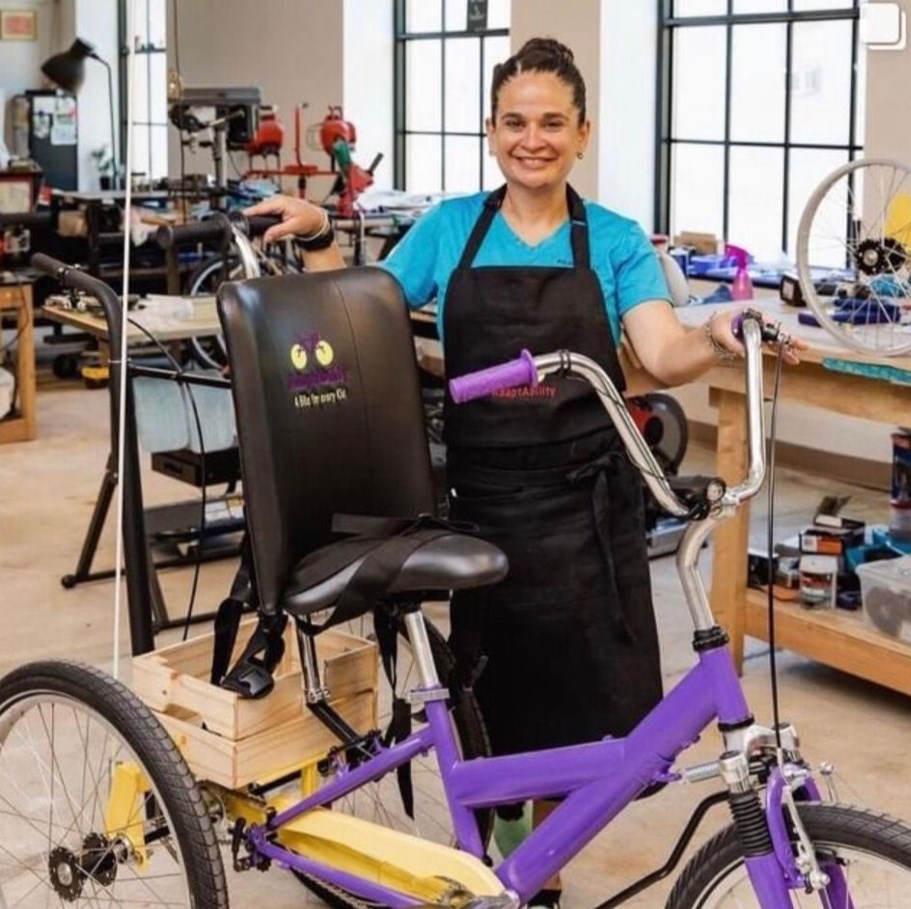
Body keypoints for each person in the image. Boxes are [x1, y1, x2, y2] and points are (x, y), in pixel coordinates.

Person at [245, 37, 803, 906]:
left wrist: (719, 331)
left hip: (588, 512)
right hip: (489, 510)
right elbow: (360, 318)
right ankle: (514, 867)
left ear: (582, 133)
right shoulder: (450, 229)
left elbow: (658, 343)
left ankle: (541, 863)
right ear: (490, 131)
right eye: (514, 122)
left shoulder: (612, 239)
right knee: (497, 713)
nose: (531, 139)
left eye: (551, 123)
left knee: (585, 720)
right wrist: (321, 237)